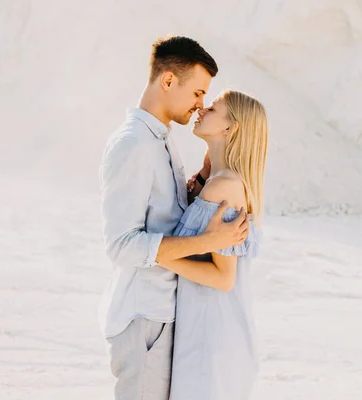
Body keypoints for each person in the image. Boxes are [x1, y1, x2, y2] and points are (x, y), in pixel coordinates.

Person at [98, 36, 249, 400]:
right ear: (168, 81)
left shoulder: (160, 139)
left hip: (162, 312)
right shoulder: (133, 144)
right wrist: (208, 242)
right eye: (198, 93)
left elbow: (160, 211)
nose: (200, 105)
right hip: (143, 318)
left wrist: (197, 184)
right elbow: (121, 245)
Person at [159, 90, 268, 400]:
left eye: (214, 108)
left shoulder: (226, 186)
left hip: (214, 334)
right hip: (211, 329)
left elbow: (223, 277)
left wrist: (157, 254)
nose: (202, 109)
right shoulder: (219, 181)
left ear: (229, 128)